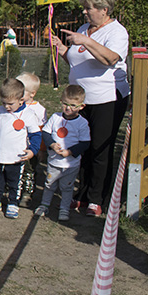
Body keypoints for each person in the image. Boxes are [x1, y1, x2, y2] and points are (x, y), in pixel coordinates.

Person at [50, 0, 130, 217]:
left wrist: (85, 41)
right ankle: (82, 194)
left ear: (104, 10)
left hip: (107, 99)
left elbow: (110, 59)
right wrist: (62, 48)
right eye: (84, 8)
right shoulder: (85, 29)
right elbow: (77, 61)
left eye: (89, 8)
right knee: (82, 145)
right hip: (81, 100)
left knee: (99, 148)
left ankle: (97, 198)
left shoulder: (117, 32)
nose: (84, 12)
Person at [0, 78, 42, 219]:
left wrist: (33, 150)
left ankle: (13, 203)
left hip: (16, 158)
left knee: (15, 182)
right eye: (3, 103)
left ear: (21, 100)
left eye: (10, 104)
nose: (6, 107)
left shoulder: (28, 115)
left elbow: (36, 135)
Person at [34, 85, 91, 221]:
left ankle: (64, 209)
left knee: (67, 188)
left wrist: (70, 152)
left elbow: (85, 143)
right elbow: (46, 133)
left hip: (70, 165)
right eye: (65, 104)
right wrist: (52, 144)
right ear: (61, 101)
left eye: (73, 105)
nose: (68, 108)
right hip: (54, 162)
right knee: (49, 185)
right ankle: (44, 205)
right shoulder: (55, 117)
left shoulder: (82, 123)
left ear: (81, 106)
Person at [16, 71, 47, 200]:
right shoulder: (15, 106)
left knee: (29, 170)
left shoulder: (39, 110)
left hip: (31, 147)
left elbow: (42, 130)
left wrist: (41, 149)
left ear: (32, 93)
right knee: (16, 168)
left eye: (21, 91)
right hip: (17, 145)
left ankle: (27, 192)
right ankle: (15, 188)